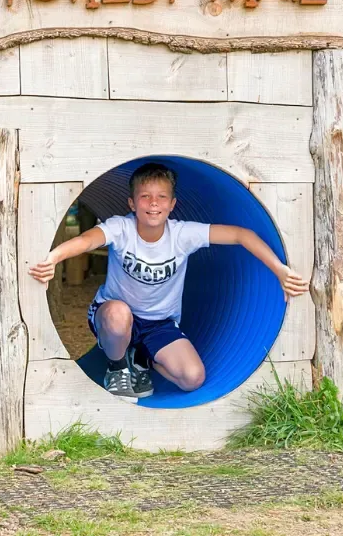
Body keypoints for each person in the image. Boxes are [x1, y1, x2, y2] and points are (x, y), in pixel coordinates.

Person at [28, 162, 310, 400]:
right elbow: (86, 240)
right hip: (113, 315)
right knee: (118, 314)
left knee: (192, 378)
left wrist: (279, 269)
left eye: (161, 197)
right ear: (131, 203)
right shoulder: (120, 228)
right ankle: (118, 366)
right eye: (145, 197)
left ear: (173, 204)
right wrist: (54, 257)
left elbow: (240, 235)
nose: (153, 203)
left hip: (159, 323)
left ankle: (142, 359)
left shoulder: (182, 235)